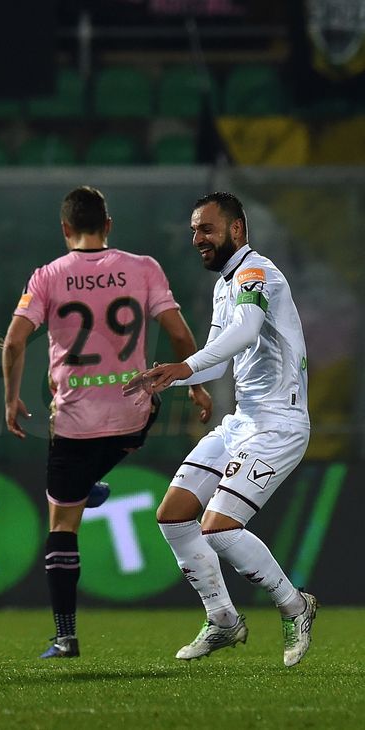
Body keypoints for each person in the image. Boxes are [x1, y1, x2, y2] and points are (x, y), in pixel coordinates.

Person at [3, 186, 211, 659]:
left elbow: (15, 342)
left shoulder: (48, 276)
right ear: (109, 225)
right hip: (135, 414)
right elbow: (178, 334)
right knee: (147, 401)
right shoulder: (144, 267)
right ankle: (93, 478)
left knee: (62, 524)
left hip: (75, 424)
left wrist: (11, 400)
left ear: (64, 229)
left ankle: (65, 635)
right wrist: (195, 383)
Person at [124, 192, 317, 667]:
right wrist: (174, 376)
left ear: (236, 230)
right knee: (173, 516)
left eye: (205, 229)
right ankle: (224, 621)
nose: (196, 239)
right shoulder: (224, 285)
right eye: (193, 230)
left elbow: (248, 330)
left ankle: (296, 606)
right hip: (243, 422)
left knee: (220, 529)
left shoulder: (257, 273)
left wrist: (183, 366)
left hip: (279, 424)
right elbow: (220, 355)